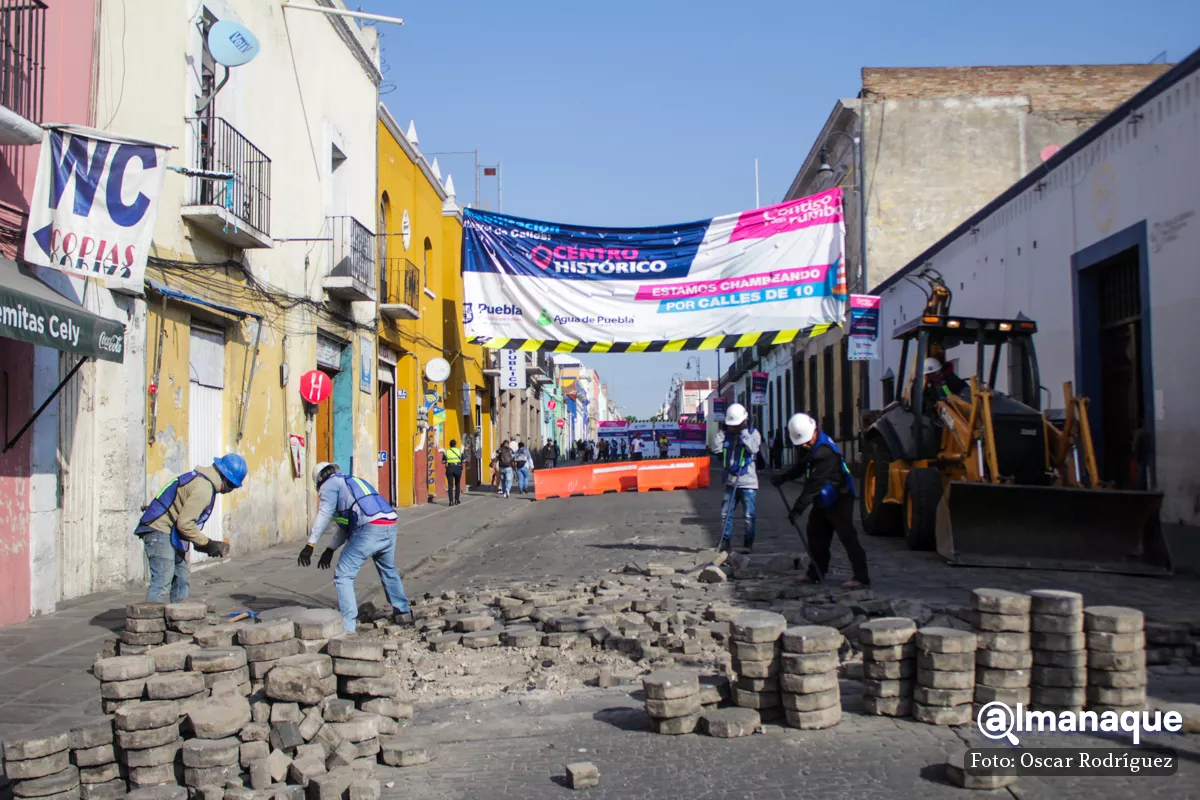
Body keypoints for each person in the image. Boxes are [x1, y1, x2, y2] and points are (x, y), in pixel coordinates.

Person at [297, 463, 412, 633]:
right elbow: (347, 526)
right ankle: (403, 613)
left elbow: (325, 513)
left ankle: (348, 627)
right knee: (388, 569)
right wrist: (330, 549)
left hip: (370, 528)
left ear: (319, 480)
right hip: (389, 524)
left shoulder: (329, 484)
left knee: (343, 574)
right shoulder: (350, 482)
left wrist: (310, 544)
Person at [772, 413, 870, 589]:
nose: (804, 445)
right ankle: (816, 573)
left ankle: (861, 577)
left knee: (847, 536)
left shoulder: (824, 453)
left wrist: (797, 509)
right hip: (824, 497)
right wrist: (784, 477)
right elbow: (802, 466)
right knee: (815, 534)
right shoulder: (814, 445)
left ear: (814, 431)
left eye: (806, 441)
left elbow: (813, 486)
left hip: (840, 497)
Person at [135, 454, 244, 603]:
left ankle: (180, 614)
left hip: (170, 531)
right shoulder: (204, 489)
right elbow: (185, 524)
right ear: (226, 480)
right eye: (233, 486)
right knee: (162, 579)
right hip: (158, 528)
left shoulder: (202, 481)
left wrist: (202, 545)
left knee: (181, 579)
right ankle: (150, 615)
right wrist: (207, 543)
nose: (232, 490)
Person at [714, 403, 761, 553]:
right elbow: (716, 448)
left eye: (736, 425)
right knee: (725, 514)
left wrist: (744, 432)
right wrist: (722, 431)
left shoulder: (753, 433)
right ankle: (725, 541)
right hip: (731, 481)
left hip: (748, 483)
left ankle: (748, 543)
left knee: (748, 516)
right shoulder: (727, 435)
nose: (733, 428)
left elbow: (753, 448)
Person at [443, 439, 464, 506]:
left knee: (450, 485)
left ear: (450, 445)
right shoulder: (459, 451)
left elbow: (443, 461)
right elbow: (464, 460)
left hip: (449, 468)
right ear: (455, 445)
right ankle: (457, 500)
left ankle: (451, 501)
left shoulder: (447, 452)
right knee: (457, 484)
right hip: (457, 468)